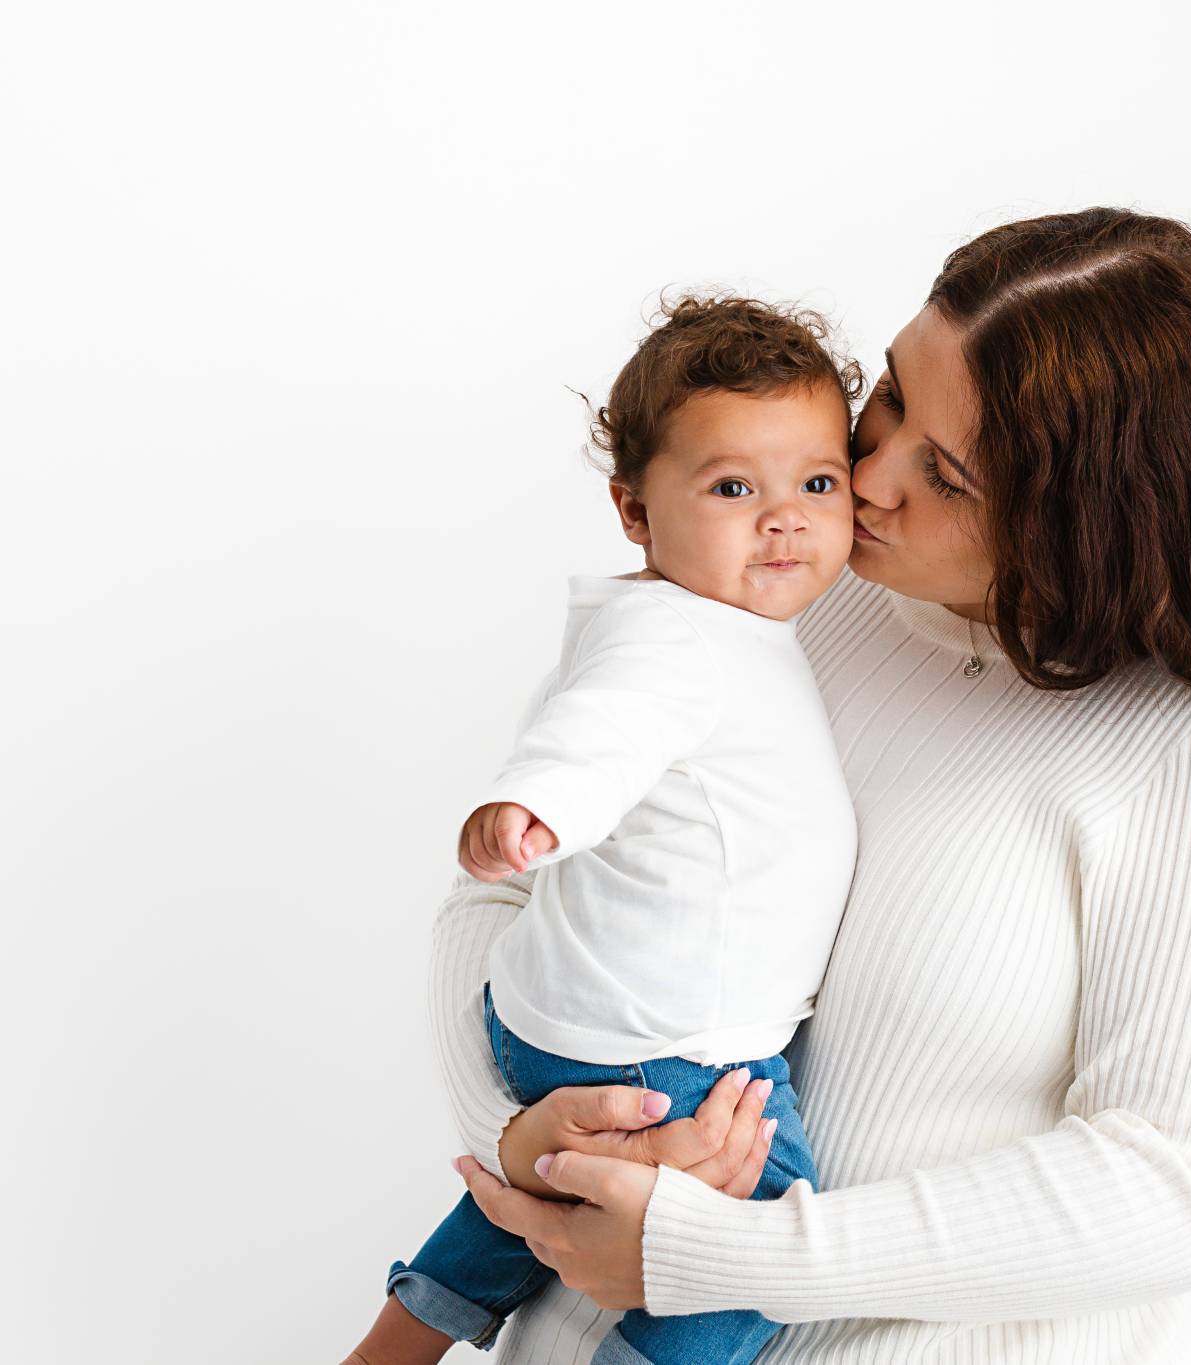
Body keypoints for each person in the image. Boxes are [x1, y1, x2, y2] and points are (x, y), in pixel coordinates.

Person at [364, 206, 1191, 1365]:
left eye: (945, 471)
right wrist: (531, 1143)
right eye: (888, 396)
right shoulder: (771, 603)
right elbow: (501, 902)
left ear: (1088, 521)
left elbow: (1188, 1186)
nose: (865, 477)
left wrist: (716, 1256)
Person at [350, 296, 866, 1365]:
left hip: (584, 1013)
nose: (784, 519)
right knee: (754, 1254)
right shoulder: (677, 638)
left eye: (816, 483)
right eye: (733, 488)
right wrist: (537, 806)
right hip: (660, 1036)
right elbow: (600, 730)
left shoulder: (717, 621)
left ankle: (396, 1342)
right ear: (635, 512)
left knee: (530, 1206)